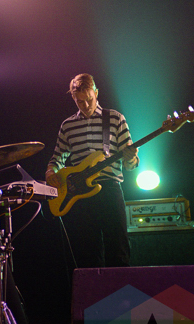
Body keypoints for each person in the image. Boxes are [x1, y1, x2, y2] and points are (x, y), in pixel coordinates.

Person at [45, 73, 139, 268]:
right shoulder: (68, 125)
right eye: (80, 101)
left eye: (89, 99)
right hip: (79, 195)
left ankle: (121, 288)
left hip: (109, 188)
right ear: (73, 98)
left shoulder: (115, 118)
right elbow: (57, 157)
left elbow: (131, 165)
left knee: (118, 249)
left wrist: (131, 158)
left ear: (96, 93)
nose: (86, 105)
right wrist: (51, 173)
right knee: (87, 254)